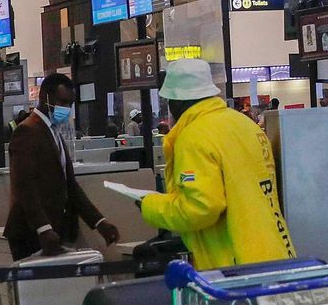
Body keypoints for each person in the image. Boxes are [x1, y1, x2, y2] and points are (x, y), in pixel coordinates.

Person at [108, 59, 294, 271]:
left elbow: (201, 208)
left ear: (177, 100)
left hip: (235, 265)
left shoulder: (194, 136)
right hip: (275, 252)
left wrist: (150, 206)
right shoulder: (245, 125)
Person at [5, 72, 119, 305]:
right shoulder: (27, 132)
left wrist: (99, 222)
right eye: (63, 102)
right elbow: (25, 187)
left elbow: (70, 187)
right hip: (30, 234)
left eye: (70, 103)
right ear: (45, 98)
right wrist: (43, 228)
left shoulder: (53, 133)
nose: (66, 108)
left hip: (53, 232)